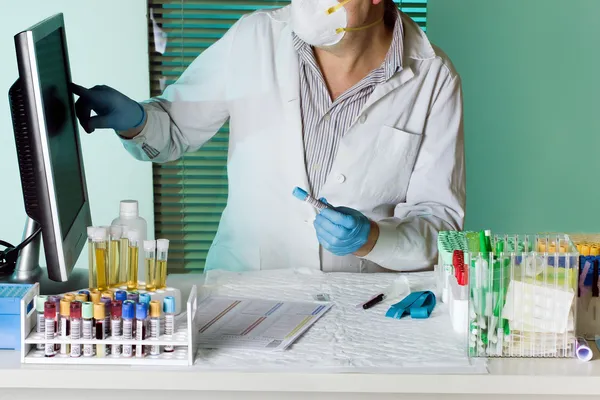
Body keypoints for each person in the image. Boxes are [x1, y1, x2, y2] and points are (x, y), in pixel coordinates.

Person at [72, 0, 465, 273]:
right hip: (245, 297)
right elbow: (173, 130)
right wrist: (137, 120)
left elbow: (441, 221)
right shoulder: (255, 38)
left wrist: (374, 238)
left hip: (361, 307)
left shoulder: (433, 77)